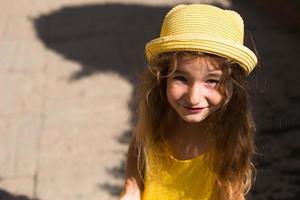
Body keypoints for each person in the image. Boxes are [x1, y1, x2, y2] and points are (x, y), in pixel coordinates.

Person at [120, 4, 258, 200]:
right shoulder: (158, 117)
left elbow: (232, 190)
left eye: (212, 80)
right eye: (181, 79)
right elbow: (138, 143)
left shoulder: (230, 133)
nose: (193, 98)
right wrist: (132, 187)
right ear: (162, 77)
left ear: (231, 86)